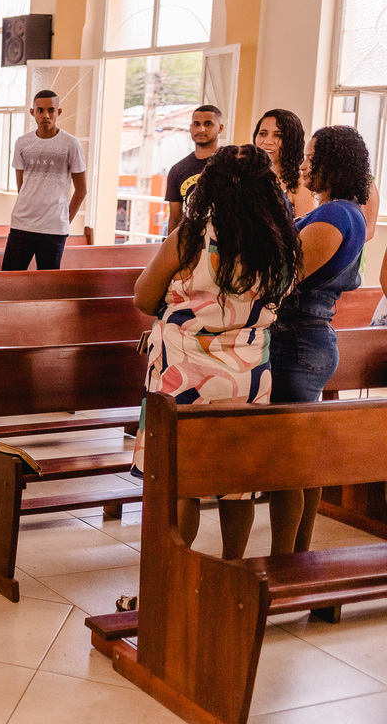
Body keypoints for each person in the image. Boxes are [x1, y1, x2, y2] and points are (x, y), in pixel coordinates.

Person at [132, 145, 300, 562]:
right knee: (237, 482)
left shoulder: (191, 237)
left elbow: (143, 297)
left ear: (211, 186)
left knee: (178, 483)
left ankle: (170, 576)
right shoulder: (281, 243)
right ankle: (232, 568)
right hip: (246, 373)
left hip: (184, 372)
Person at [269, 125, 370, 555]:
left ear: (335, 163)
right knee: (302, 459)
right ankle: (298, 554)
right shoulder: (343, 210)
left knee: (288, 463)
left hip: (298, 337)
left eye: (312, 157)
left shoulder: (335, 215)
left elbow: (285, 277)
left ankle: (282, 562)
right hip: (306, 336)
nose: (305, 164)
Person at [3, 90, 88, 270]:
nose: (46, 115)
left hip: (53, 230)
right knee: (8, 280)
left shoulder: (71, 144)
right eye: (40, 110)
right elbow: (22, 186)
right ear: (32, 112)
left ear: (59, 112)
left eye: (51, 110)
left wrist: (64, 220)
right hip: (22, 225)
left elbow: (82, 190)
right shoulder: (22, 143)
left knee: (48, 283)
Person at [165, 105, 224, 232]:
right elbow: (175, 218)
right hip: (190, 240)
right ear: (190, 128)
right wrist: (171, 243)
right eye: (196, 124)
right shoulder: (177, 170)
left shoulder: (233, 163)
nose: (201, 129)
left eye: (208, 124)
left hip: (225, 239)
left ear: (220, 128)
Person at [253, 108, 309, 218]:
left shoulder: (301, 183)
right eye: (263, 133)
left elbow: (304, 227)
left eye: (278, 135)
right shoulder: (247, 175)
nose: (268, 141)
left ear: (293, 141)